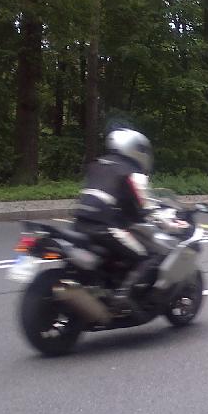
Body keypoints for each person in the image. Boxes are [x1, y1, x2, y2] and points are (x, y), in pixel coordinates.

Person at [72, 128, 157, 311]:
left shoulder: (97, 164)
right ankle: (123, 297)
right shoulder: (132, 171)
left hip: (80, 222)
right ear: (135, 149)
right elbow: (145, 204)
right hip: (105, 227)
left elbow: (114, 196)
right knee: (147, 256)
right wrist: (160, 218)